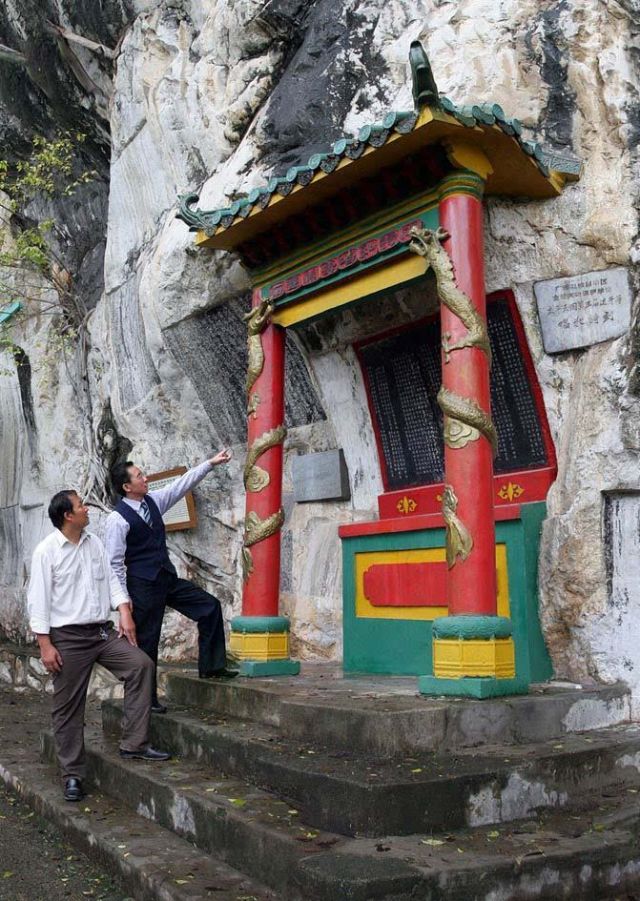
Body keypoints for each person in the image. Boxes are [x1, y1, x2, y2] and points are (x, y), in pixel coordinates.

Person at [27, 490, 170, 804]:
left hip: (101, 634)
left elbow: (113, 580)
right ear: (68, 515)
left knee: (141, 665)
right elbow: (38, 600)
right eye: (80, 505)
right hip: (67, 638)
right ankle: (73, 775)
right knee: (68, 709)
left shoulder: (94, 544)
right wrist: (45, 644)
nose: (86, 508)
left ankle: (134, 743)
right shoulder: (46, 551)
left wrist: (124, 610)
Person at [105, 452, 236, 714]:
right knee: (147, 642)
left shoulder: (153, 501)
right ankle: (147, 701)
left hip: (166, 577)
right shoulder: (116, 520)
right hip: (142, 585)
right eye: (140, 476)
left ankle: (212, 667)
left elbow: (181, 485)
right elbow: (114, 564)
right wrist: (123, 605)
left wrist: (209, 463)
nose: (146, 478)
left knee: (209, 606)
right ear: (127, 487)